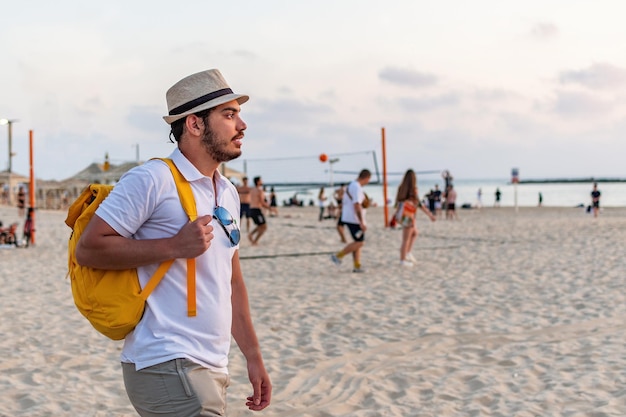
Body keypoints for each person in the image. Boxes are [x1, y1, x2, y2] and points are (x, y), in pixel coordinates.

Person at [75, 69, 271, 415]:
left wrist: (253, 358)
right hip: (167, 360)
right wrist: (174, 246)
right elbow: (89, 248)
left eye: (238, 114)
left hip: (212, 365)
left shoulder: (226, 192)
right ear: (194, 125)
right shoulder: (153, 178)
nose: (242, 125)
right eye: (229, 115)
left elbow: (232, 281)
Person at [330, 170, 371, 273]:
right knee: (360, 242)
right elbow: (356, 205)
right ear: (366, 178)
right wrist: (361, 221)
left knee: (357, 242)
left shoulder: (351, 185)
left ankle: (357, 266)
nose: (368, 182)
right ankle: (338, 256)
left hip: (348, 217)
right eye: (368, 180)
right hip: (353, 219)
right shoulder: (356, 187)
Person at [394, 170, 436, 267]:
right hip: (410, 215)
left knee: (414, 233)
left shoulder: (401, 188)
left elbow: (397, 203)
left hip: (404, 215)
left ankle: (407, 253)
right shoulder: (413, 190)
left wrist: (396, 214)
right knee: (406, 238)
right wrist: (430, 215)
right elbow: (419, 204)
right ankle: (403, 259)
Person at [249, 176, 269, 245]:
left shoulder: (252, 190)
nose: (262, 181)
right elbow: (262, 202)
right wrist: (270, 208)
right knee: (264, 227)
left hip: (251, 209)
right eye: (261, 180)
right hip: (257, 210)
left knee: (261, 226)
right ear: (258, 182)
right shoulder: (260, 190)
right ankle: (255, 241)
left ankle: (251, 234)